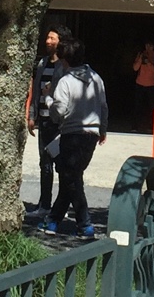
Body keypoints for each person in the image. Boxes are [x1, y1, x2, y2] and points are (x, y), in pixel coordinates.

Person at [45, 41, 108, 237]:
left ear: (66, 60)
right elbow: (103, 106)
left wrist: (48, 99)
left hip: (71, 134)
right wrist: (103, 128)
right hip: (91, 134)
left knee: (72, 179)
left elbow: (59, 111)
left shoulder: (66, 81)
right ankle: (53, 220)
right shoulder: (96, 78)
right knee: (71, 177)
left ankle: (84, 224)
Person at [26, 28, 69, 221]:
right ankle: (44, 204)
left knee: (61, 164)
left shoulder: (65, 65)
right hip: (43, 120)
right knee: (44, 163)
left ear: (60, 41)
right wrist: (32, 116)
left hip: (58, 122)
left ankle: (61, 206)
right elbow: (35, 92)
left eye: (52, 37)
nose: (48, 40)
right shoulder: (42, 63)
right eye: (48, 37)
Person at [133, 39, 154, 108]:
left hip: (151, 85)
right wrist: (140, 59)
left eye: (150, 46)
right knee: (138, 105)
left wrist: (148, 63)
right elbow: (135, 68)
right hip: (139, 84)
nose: (148, 48)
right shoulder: (141, 54)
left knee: (152, 105)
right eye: (147, 45)